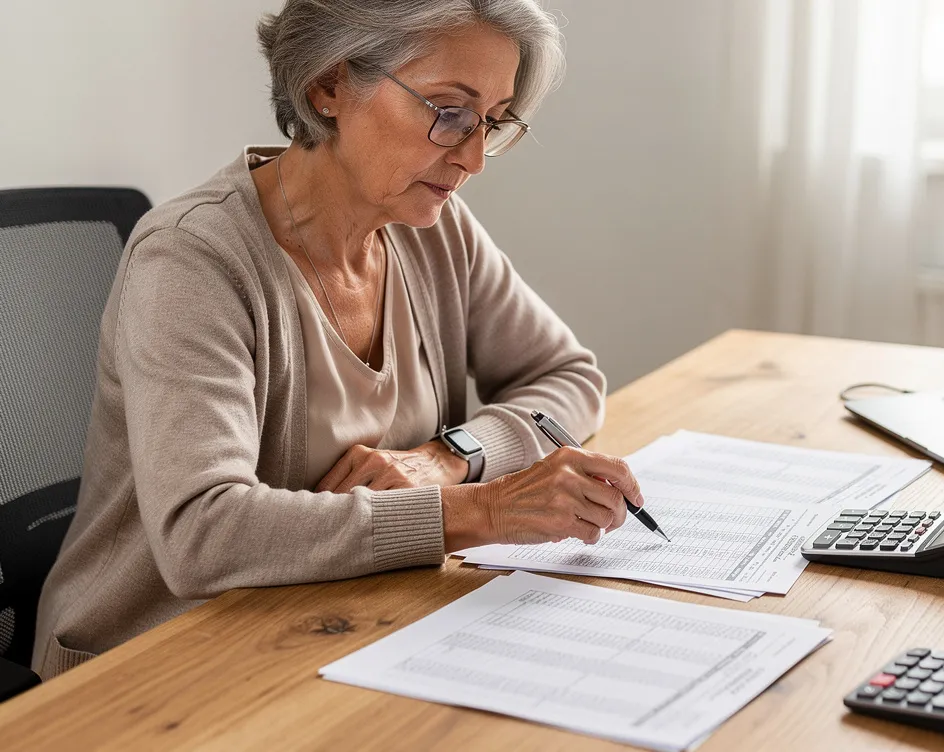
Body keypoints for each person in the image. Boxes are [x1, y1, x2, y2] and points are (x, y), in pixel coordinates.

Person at [32, 0, 643, 679]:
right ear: (328, 87)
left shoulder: (435, 229)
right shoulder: (191, 261)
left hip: (333, 624)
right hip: (153, 665)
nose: (474, 158)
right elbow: (202, 535)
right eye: (448, 112)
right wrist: (481, 510)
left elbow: (568, 375)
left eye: (492, 122)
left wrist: (453, 457)